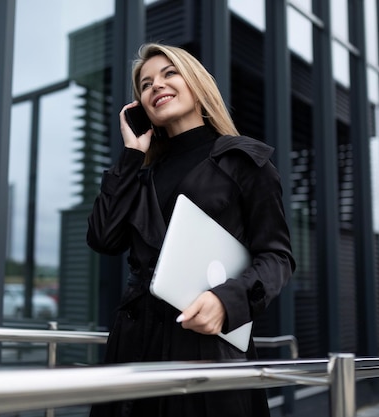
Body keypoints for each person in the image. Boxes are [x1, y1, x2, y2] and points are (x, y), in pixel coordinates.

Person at [87, 42, 295, 417]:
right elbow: (103, 238)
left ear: (197, 85)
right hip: (135, 345)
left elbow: (277, 257)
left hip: (204, 345)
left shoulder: (244, 161)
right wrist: (131, 153)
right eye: (146, 83)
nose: (156, 86)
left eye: (169, 73)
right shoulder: (140, 172)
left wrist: (227, 301)